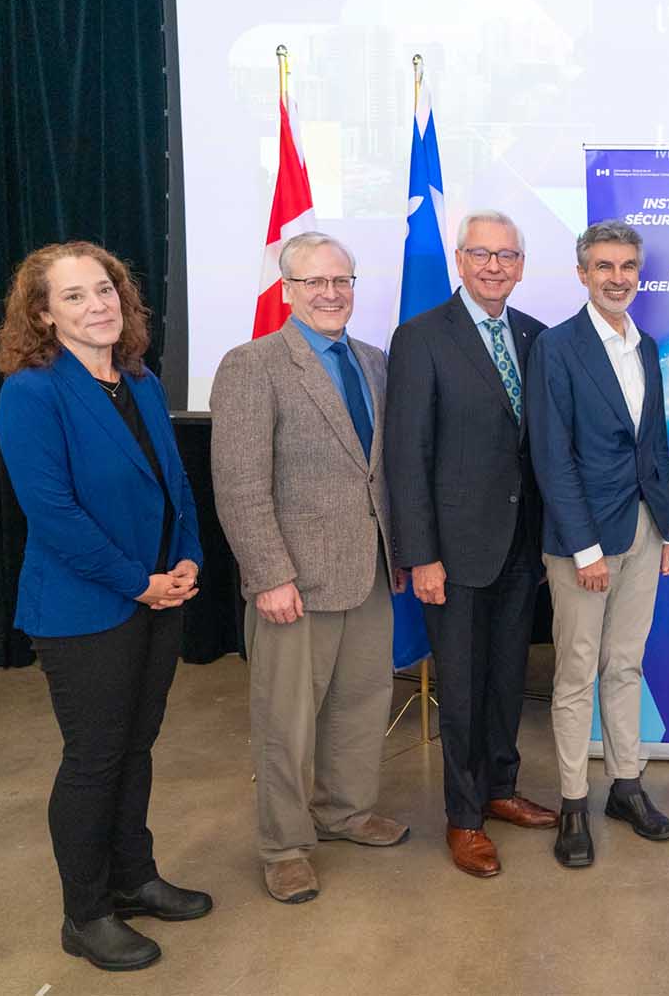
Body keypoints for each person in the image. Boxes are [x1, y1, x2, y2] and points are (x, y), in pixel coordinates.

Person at [0, 241, 209, 971]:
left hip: (157, 593)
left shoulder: (140, 379)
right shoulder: (32, 390)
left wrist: (187, 558)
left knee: (137, 746)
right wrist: (137, 580)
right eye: (76, 295)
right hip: (85, 606)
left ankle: (133, 877)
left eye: (107, 290)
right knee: (94, 757)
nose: (99, 305)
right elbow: (51, 513)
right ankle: (85, 914)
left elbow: (174, 482)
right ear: (45, 315)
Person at [210, 231, 410, 906]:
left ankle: (346, 812)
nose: (331, 293)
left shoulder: (376, 362)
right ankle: (285, 844)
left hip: (372, 570)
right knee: (285, 720)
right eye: (316, 282)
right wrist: (269, 574)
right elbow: (239, 484)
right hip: (294, 579)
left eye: (342, 281)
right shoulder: (253, 364)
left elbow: (379, 472)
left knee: (361, 705)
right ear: (288, 289)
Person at [384, 210, 557, 879]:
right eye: (481, 254)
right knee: (460, 688)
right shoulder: (422, 336)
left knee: (507, 677)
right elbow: (408, 452)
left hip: (520, 547)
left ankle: (501, 787)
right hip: (451, 554)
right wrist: (421, 553)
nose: (494, 266)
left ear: (520, 265)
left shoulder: (534, 336)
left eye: (507, 255)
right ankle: (464, 816)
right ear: (460, 259)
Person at [525, 220, 669, 868]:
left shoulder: (645, 345)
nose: (618, 277)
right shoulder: (557, 348)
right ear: (583, 273)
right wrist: (583, 547)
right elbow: (551, 455)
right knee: (575, 673)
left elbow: (654, 444)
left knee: (625, 664)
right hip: (582, 542)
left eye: (627, 267)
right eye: (604, 266)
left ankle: (625, 784)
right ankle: (571, 803)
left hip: (645, 529)